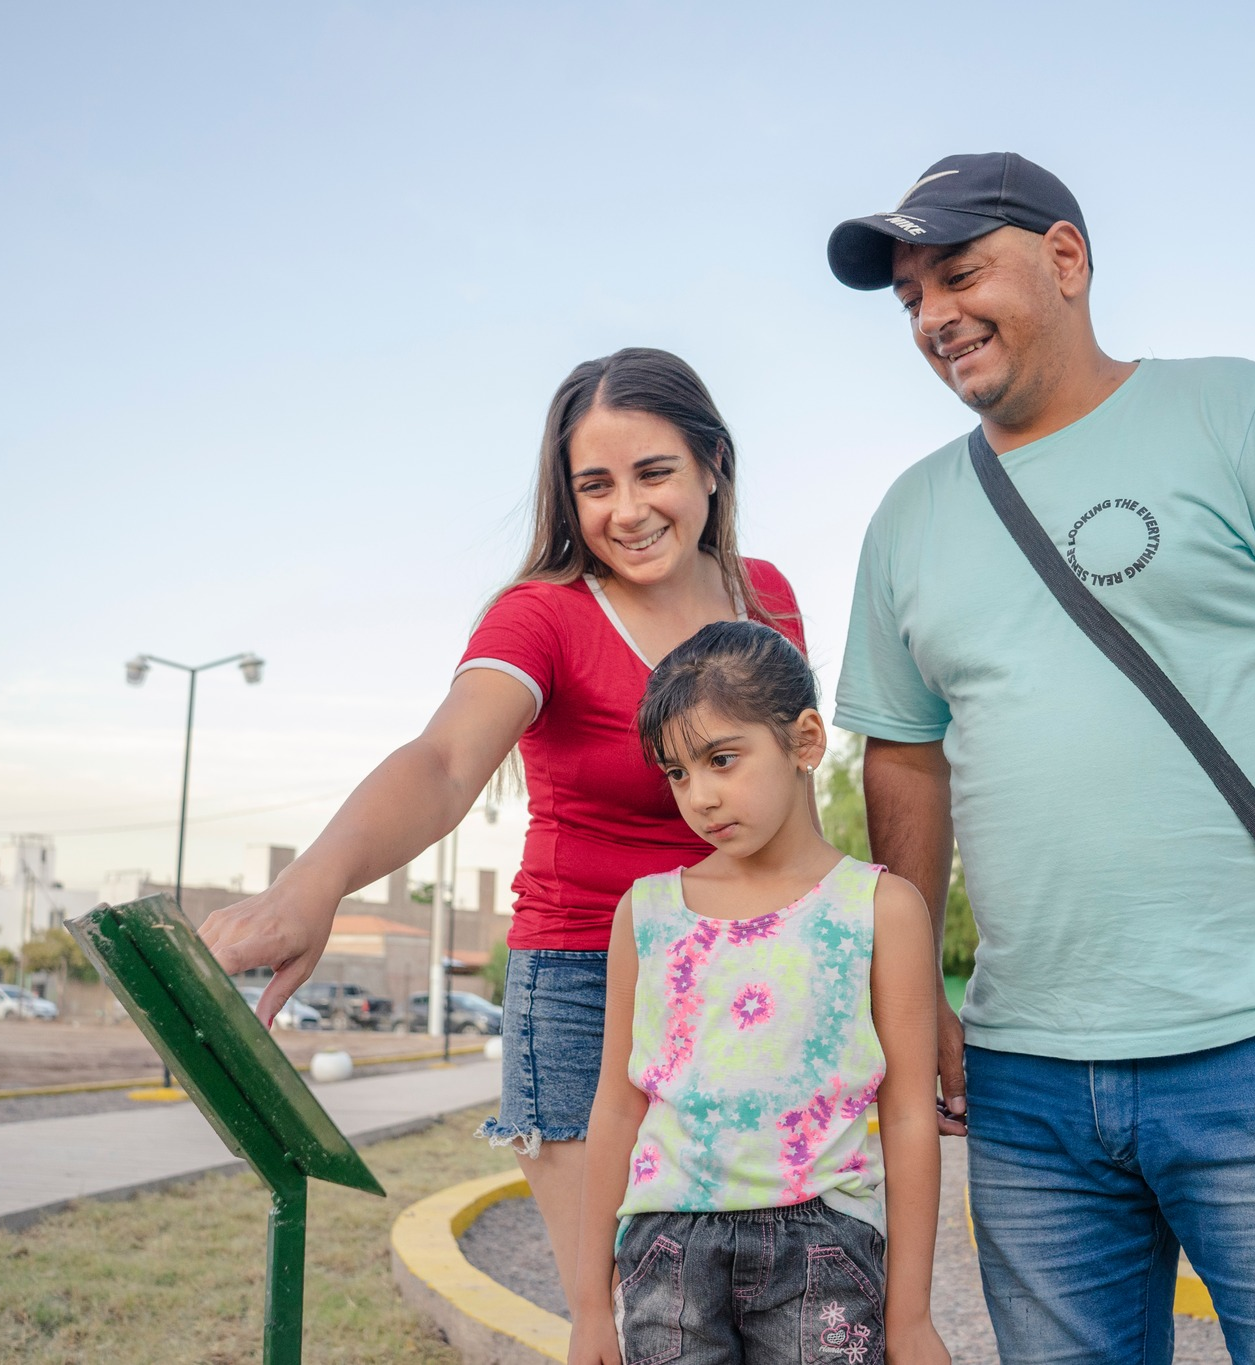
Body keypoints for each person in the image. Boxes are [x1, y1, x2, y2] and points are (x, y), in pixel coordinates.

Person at [824, 153, 1255, 1364]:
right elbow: (904, 758)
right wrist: (915, 997)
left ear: (1064, 259)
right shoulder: (908, 515)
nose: (931, 317)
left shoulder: (1233, 412)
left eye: (958, 274)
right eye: (910, 297)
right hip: (1026, 1085)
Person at [199, 348, 809, 1309]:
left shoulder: (766, 599)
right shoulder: (542, 616)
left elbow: (789, 797)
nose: (627, 510)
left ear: (713, 464)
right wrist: (309, 888)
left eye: (654, 472)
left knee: (761, 1301)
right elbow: (444, 763)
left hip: (748, 975)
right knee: (631, 1315)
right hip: (582, 983)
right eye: (595, 485)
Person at [568, 621, 949, 1365]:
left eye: (721, 759)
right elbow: (616, 1104)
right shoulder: (647, 912)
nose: (701, 796)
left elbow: (908, 1116)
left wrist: (911, 1317)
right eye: (678, 773)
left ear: (805, 740)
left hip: (824, 1246)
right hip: (667, 1252)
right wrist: (588, 1304)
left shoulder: (880, 908)